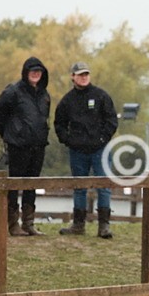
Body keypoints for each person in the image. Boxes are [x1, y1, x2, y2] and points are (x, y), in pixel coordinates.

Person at [54, 62, 119, 238]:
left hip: (100, 150)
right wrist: (68, 141)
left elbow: (112, 120)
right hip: (78, 151)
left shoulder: (101, 96)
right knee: (79, 187)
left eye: (86, 74)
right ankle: (78, 224)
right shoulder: (67, 100)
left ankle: (104, 226)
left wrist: (102, 139)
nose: (84, 77)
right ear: (73, 77)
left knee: (104, 186)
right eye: (80, 74)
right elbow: (59, 124)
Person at [0, 57, 51, 236]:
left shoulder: (44, 95)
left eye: (39, 71)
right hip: (18, 146)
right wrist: (10, 134)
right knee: (14, 184)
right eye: (32, 71)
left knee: (32, 184)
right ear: (25, 72)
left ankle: (28, 222)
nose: (35, 74)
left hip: (38, 145)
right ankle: (13, 223)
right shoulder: (13, 92)